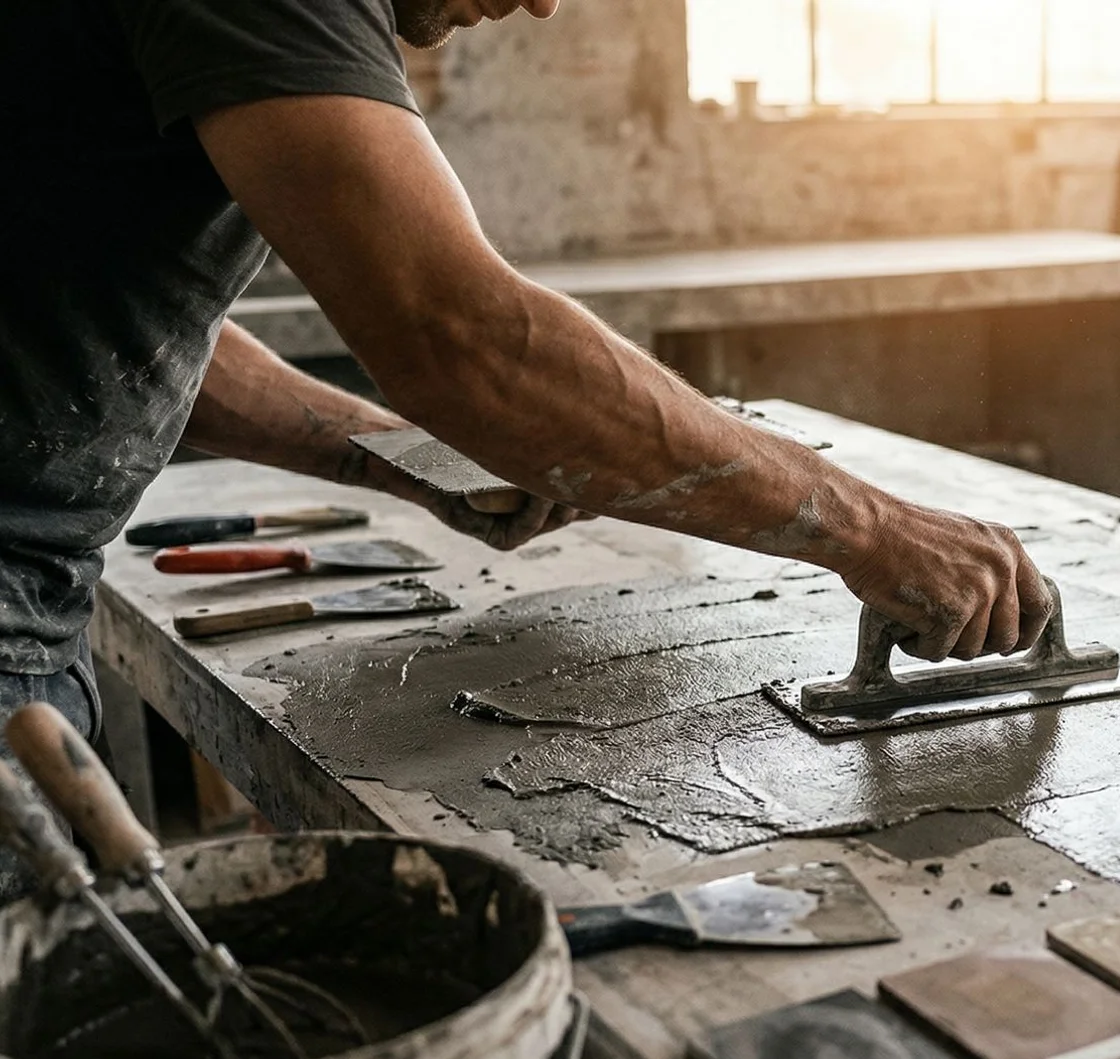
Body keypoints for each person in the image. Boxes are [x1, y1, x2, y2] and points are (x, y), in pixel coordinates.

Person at [0, 1, 1050, 813]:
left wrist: (397, 453)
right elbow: (462, 334)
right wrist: (873, 531)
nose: (545, 5)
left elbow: (108, 332)